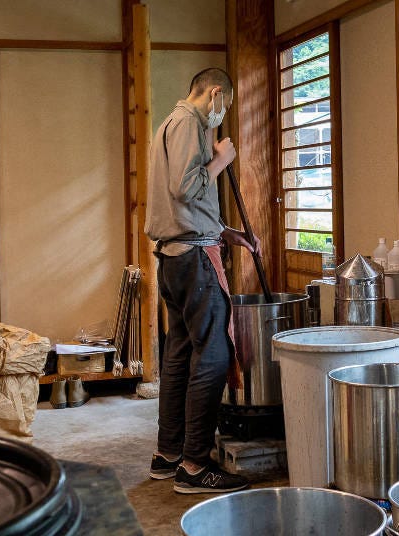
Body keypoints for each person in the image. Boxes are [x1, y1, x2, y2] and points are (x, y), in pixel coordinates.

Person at [144, 67, 259, 494]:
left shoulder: (167, 125)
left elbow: (184, 206)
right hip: (194, 259)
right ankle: (195, 466)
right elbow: (185, 187)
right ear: (214, 94)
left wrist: (228, 232)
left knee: (178, 355)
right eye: (223, 106)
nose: (221, 114)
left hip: (175, 257)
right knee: (211, 356)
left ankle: (169, 454)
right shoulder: (190, 123)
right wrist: (222, 160)